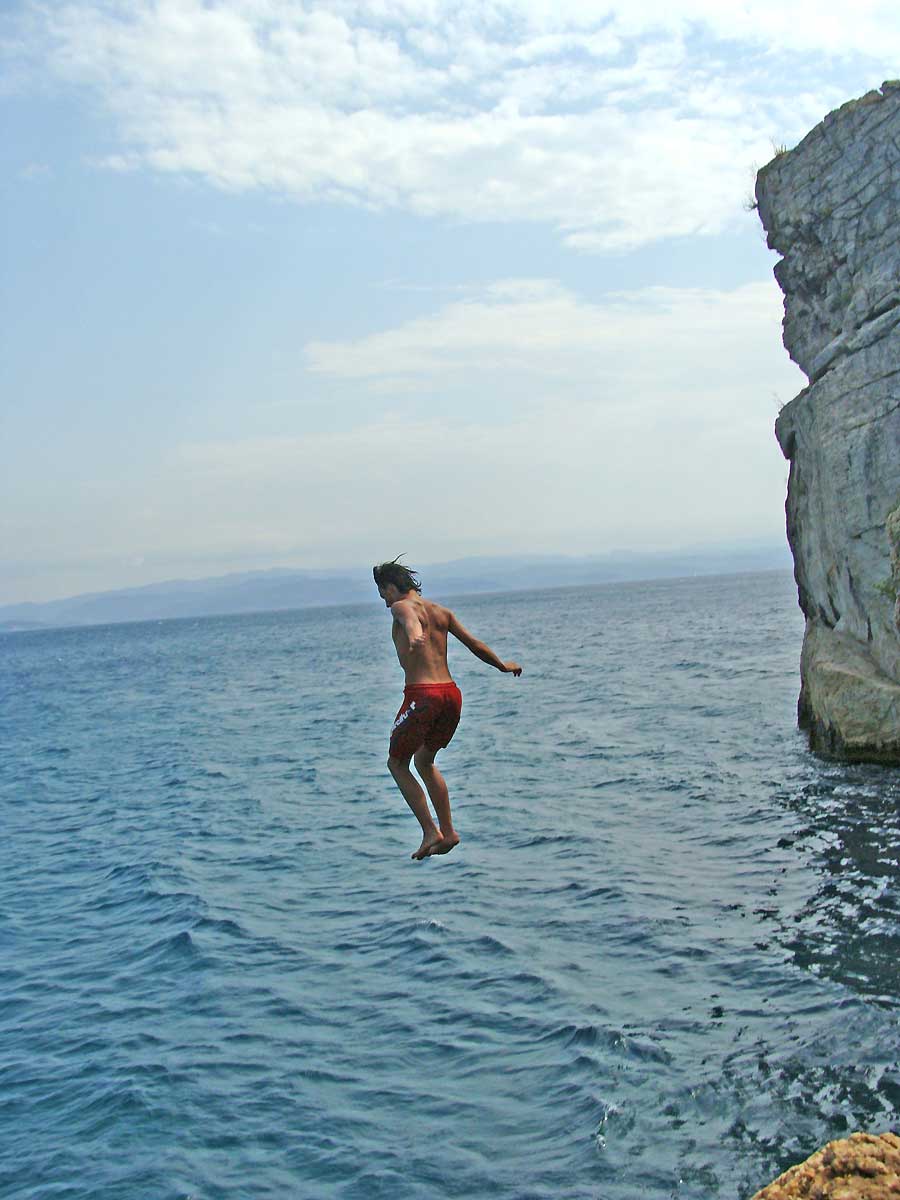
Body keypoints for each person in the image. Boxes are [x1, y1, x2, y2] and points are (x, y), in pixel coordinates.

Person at [374, 558, 523, 860]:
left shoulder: (401, 606)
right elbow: (474, 644)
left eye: (382, 593)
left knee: (397, 764)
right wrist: (502, 665)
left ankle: (430, 831)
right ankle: (449, 831)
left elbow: (408, 618)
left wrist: (415, 635)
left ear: (391, 587)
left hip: (422, 695)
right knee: (424, 761)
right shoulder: (441, 612)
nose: (384, 601)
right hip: (451, 696)